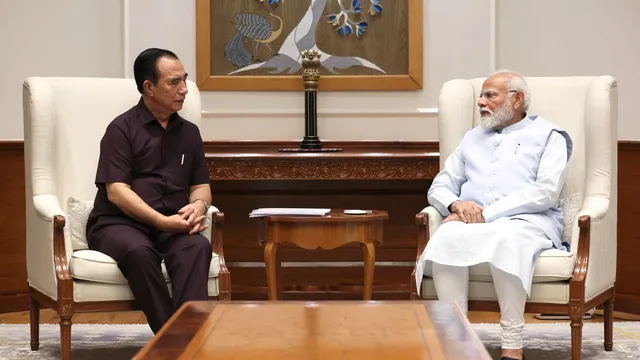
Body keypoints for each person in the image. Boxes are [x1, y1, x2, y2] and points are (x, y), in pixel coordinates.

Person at [415, 70, 572, 360]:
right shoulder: (472, 138)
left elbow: (546, 192)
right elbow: (441, 185)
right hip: (469, 221)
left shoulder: (550, 136)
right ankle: (456, 341)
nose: (480, 102)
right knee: (447, 235)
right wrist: (455, 206)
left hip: (529, 220)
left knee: (507, 237)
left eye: (490, 95)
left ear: (517, 99)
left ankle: (512, 345)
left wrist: (487, 215)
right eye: (481, 95)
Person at [86, 48, 213, 333]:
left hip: (171, 223)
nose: (184, 90)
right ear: (149, 87)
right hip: (118, 223)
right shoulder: (121, 129)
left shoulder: (189, 133)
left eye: (185, 81)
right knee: (139, 252)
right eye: (174, 82)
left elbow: (201, 186)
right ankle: (173, 340)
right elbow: (117, 191)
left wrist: (199, 206)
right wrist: (160, 221)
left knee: (197, 246)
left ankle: (189, 339)